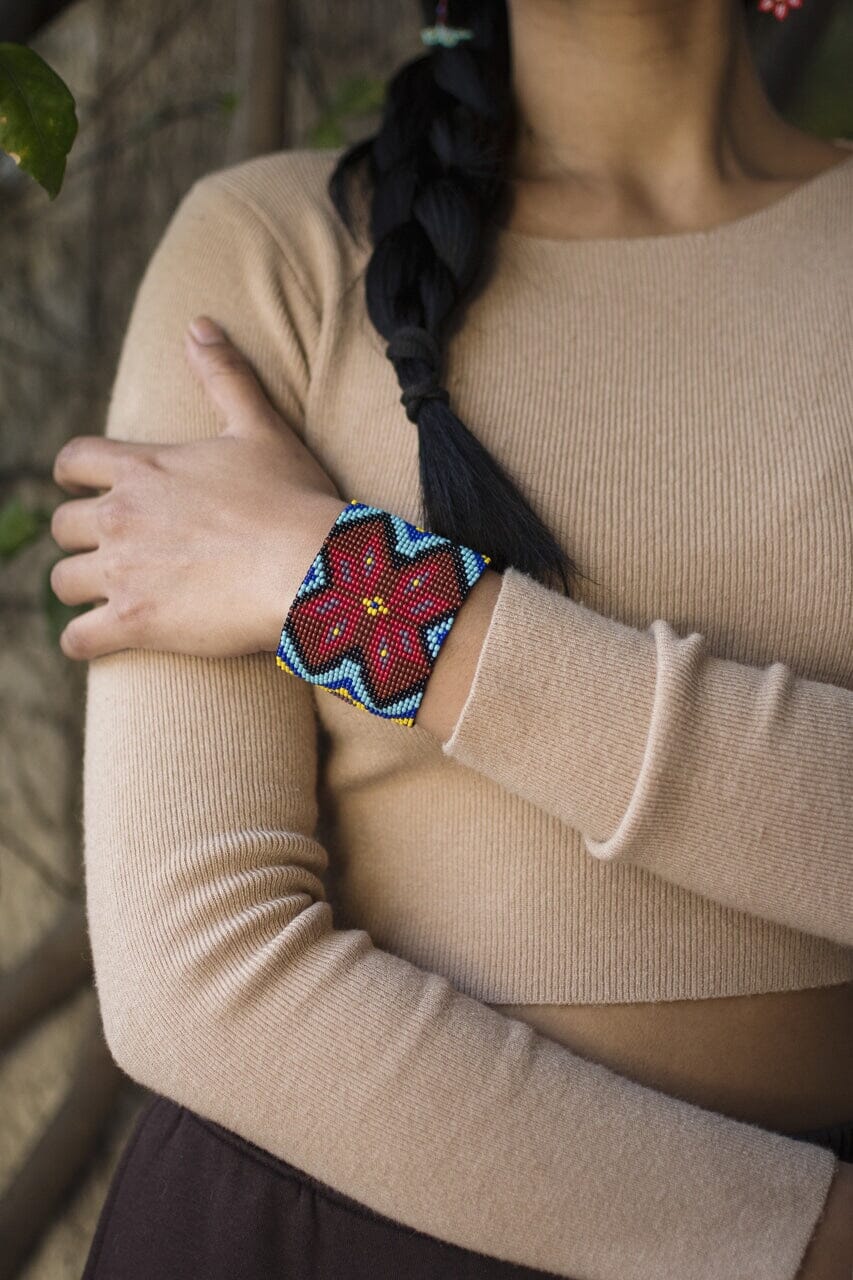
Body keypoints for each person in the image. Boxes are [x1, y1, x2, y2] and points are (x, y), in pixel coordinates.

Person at [50, 0, 853, 1276]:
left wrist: (349, 588)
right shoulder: (276, 248)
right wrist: (796, 1239)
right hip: (326, 1229)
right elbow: (190, 962)